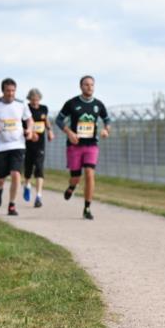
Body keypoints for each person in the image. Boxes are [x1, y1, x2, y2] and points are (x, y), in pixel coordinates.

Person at [56, 75, 110, 220]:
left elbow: (107, 120)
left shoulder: (98, 104)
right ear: (81, 86)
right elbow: (59, 120)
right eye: (86, 84)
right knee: (76, 177)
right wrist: (69, 133)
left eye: (92, 84)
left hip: (91, 145)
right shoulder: (72, 103)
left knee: (89, 173)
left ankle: (87, 208)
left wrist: (106, 130)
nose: (89, 87)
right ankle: (71, 187)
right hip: (75, 145)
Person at [0, 79, 33, 216]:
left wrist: (29, 130)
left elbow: (29, 119)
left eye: (13, 91)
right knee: (0, 179)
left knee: (16, 174)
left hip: (18, 144)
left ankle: (12, 205)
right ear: (2, 91)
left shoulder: (21, 104)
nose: (10, 93)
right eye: (8, 91)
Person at [23, 88, 53, 208]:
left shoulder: (44, 108)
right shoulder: (25, 109)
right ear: (29, 99)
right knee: (28, 168)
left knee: (39, 168)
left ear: (40, 99)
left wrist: (49, 131)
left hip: (40, 143)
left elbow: (46, 120)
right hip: (28, 143)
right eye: (33, 99)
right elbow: (22, 125)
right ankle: (27, 185)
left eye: (37, 99)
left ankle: (38, 196)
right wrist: (30, 133)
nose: (35, 102)